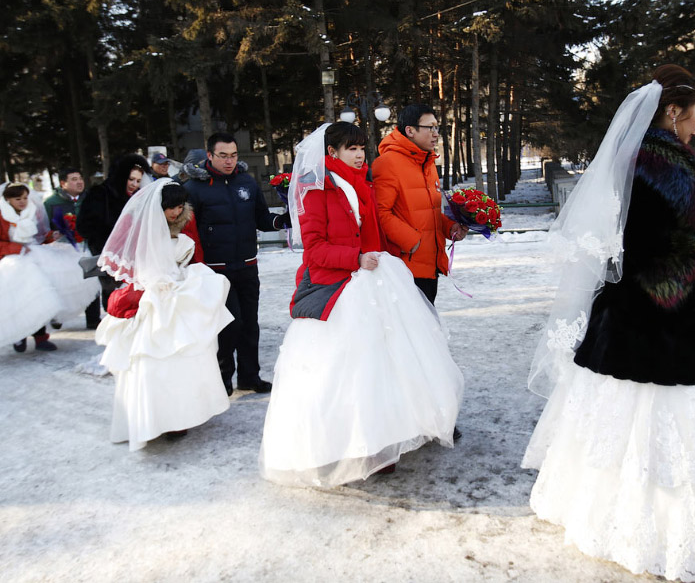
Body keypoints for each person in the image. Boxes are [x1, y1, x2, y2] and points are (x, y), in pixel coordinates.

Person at [522, 65, 695, 581]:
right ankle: (662, 528)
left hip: (666, 294)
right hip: (661, 305)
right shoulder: (655, 163)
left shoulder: (662, 157)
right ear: (673, 110)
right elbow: (648, 241)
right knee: (667, 406)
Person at [259, 122, 464, 486]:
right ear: (332, 153)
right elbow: (315, 249)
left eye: (361, 149)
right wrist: (355, 258)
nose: (359, 155)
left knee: (391, 363)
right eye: (350, 149)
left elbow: (379, 233)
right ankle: (353, 443)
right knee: (349, 370)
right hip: (338, 289)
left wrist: (443, 228)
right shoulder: (317, 191)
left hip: (375, 282)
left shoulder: (363, 186)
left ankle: (387, 438)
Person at [95, 180, 232, 451]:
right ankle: (151, 417)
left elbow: (193, 260)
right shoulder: (141, 234)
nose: (175, 212)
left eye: (180, 206)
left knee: (184, 359)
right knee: (152, 361)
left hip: (178, 297)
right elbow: (134, 270)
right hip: (152, 302)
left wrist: (189, 277)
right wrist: (155, 285)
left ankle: (182, 415)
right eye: (170, 207)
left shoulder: (183, 230)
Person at [182, 131, 289, 396]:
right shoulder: (194, 188)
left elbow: (262, 219)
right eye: (223, 156)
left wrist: (284, 219)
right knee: (230, 325)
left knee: (250, 324)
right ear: (209, 155)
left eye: (233, 156)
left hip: (248, 266)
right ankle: (222, 378)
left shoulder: (247, 183)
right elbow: (186, 232)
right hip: (215, 271)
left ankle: (249, 377)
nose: (229, 161)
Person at [0, 183, 99, 353]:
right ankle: (19, 335)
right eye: (18, 199)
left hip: (34, 254)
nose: (23, 201)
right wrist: (17, 249)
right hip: (8, 260)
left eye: (25, 197)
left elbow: (39, 235)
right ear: (7, 199)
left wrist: (51, 236)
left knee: (40, 297)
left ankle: (41, 337)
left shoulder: (33, 209)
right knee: (19, 300)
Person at [372, 104, 467, 305]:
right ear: (410, 131)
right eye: (430, 128)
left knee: (426, 330)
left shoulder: (427, 162)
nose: (435, 134)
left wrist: (451, 228)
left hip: (430, 265)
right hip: (406, 267)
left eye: (437, 128)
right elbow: (380, 212)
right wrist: (413, 242)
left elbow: (427, 213)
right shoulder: (388, 163)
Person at [77, 154, 149, 316]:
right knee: (114, 303)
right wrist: (109, 237)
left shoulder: (138, 199)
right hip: (108, 258)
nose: (134, 184)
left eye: (138, 181)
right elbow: (84, 227)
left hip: (134, 259)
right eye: (131, 179)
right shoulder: (100, 194)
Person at [43, 167, 100, 329]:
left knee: (91, 279)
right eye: (74, 179)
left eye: (80, 178)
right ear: (63, 183)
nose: (79, 182)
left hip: (86, 246)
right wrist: (51, 234)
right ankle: (58, 316)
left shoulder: (89, 198)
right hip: (61, 249)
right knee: (63, 283)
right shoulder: (51, 203)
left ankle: (93, 319)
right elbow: (44, 226)